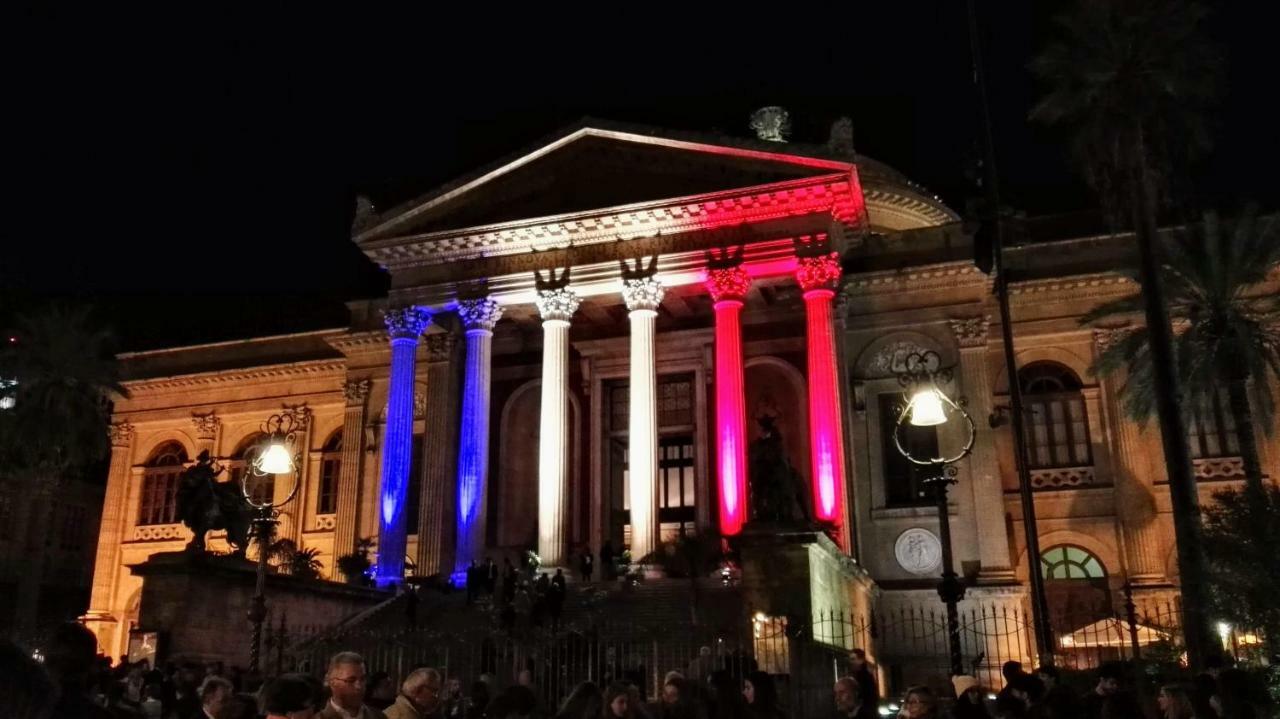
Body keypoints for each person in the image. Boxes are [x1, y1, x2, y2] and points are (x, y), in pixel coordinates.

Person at [320, 652, 387, 719]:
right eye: (350, 681)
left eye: (362, 679)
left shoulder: (379, 717)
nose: (359, 686)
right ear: (332, 682)